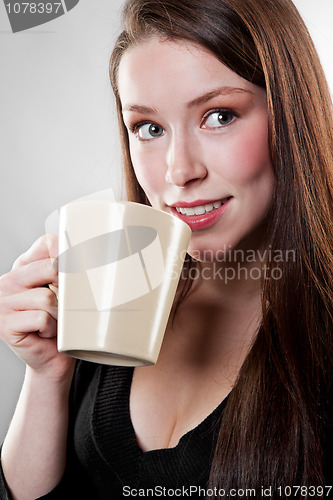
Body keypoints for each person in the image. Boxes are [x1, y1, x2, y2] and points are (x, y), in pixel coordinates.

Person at [0, 0, 332, 498]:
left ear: (291, 112)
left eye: (219, 116)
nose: (179, 171)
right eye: (149, 129)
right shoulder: (116, 291)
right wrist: (48, 377)